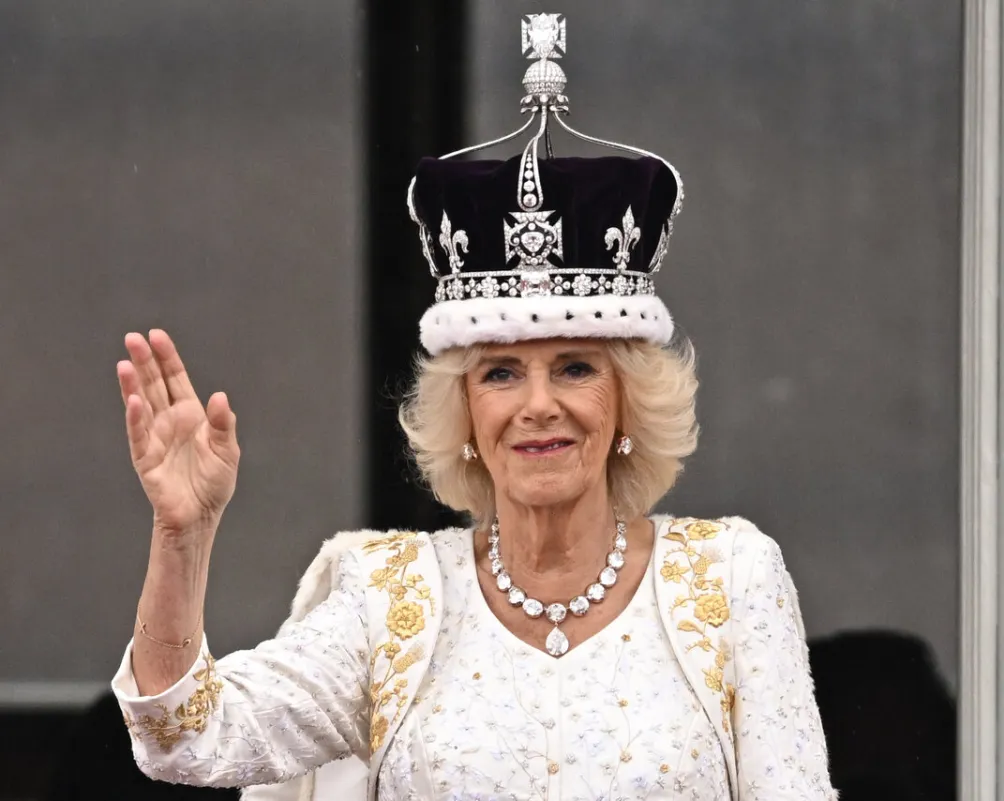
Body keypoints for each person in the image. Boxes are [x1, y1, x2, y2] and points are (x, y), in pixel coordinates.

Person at [110, 13, 836, 801]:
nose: (538, 405)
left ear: (628, 400)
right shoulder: (390, 599)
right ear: (463, 413)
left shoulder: (729, 581)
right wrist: (182, 535)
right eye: (499, 374)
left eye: (574, 367)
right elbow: (185, 739)